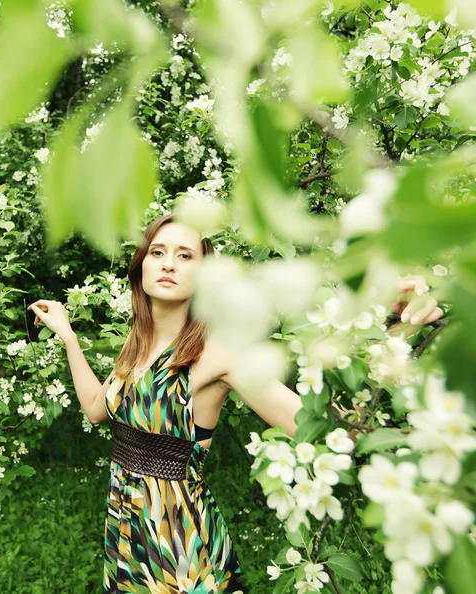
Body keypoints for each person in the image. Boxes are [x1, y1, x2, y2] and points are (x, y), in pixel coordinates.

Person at [27, 213, 443, 592]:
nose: (168, 263)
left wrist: (393, 332)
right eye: (158, 252)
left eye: (185, 255)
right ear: (142, 267)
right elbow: (98, 410)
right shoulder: (137, 346)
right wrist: (68, 336)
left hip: (179, 547)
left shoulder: (217, 354)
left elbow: (321, 430)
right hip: (124, 533)